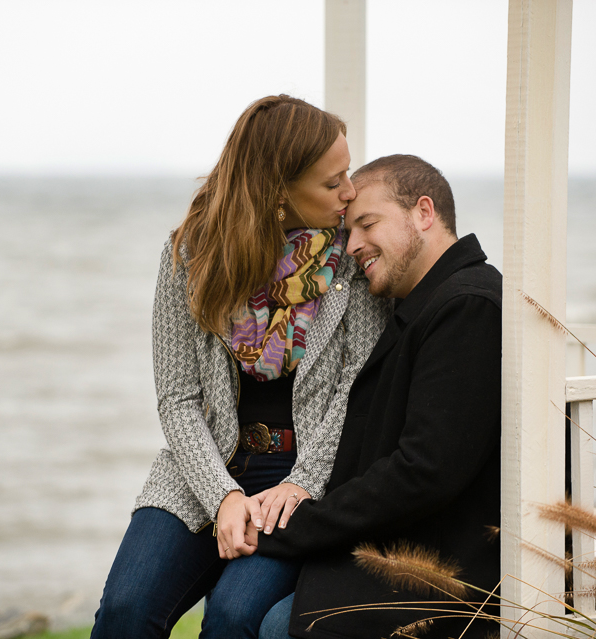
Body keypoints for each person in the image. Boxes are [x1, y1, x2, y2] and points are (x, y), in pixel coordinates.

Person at [90, 95, 389, 639]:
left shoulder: (354, 260)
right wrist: (221, 494)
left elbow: (354, 394)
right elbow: (177, 398)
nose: (351, 192)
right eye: (332, 182)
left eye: (347, 173)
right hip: (205, 465)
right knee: (125, 613)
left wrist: (300, 485)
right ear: (278, 190)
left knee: (233, 617)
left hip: (301, 480)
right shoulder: (189, 256)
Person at [253, 155, 503, 639]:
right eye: (347, 232)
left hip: (451, 571)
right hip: (408, 545)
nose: (353, 247)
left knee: (273, 627)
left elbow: (424, 471)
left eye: (367, 224)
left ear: (424, 213)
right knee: (241, 607)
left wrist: (300, 527)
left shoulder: (466, 307)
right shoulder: (426, 303)